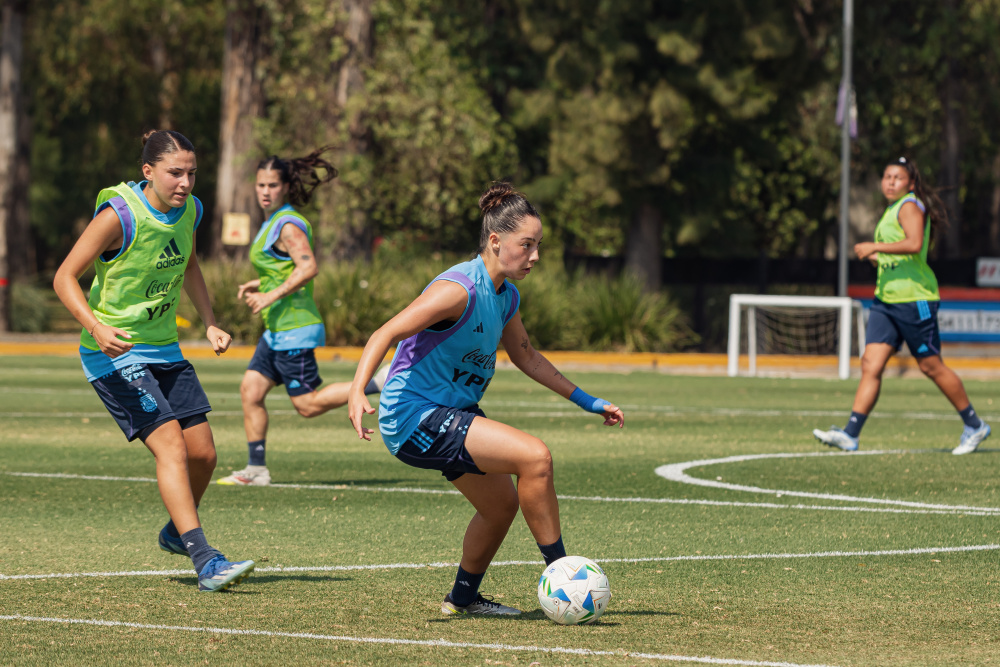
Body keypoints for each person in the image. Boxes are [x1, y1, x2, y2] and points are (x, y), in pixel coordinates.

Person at [347, 182, 625, 616]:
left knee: (500, 507)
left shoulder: (506, 296)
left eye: (538, 246)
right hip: (412, 414)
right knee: (535, 457)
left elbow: (527, 356)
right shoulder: (458, 290)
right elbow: (386, 333)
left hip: (448, 412)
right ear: (495, 241)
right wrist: (355, 389)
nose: (535, 256)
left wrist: (589, 401)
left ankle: (461, 600)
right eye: (526, 245)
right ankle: (567, 581)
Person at [52, 129, 254, 592]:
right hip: (114, 353)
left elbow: (189, 265)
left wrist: (209, 321)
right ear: (148, 172)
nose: (185, 182)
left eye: (192, 173)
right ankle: (204, 558)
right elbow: (65, 277)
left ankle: (174, 532)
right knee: (172, 448)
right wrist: (97, 327)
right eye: (175, 173)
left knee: (204, 455)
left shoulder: (192, 211)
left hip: (165, 349)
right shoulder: (118, 215)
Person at [217, 149, 386, 487]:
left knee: (307, 405)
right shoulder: (270, 222)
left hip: (295, 328)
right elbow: (282, 267)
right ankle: (257, 470)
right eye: (261, 184)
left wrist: (269, 295)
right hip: (276, 330)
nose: (265, 191)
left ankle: (376, 383)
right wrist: (261, 282)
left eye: (273, 185)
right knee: (251, 390)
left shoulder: (288, 224)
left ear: (286, 187)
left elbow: (308, 267)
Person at [813, 157, 991, 455]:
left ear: (910, 182)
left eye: (897, 177)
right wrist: (878, 258)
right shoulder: (891, 210)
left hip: (914, 299)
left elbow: (913, 243)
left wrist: (875, 247)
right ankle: (850, 434)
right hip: (886, 300)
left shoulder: (910, 205)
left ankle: (974, 425)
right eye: (886, 176)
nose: (890, 182)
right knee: (871, 364)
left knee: (930, 365)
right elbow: (902, 255)